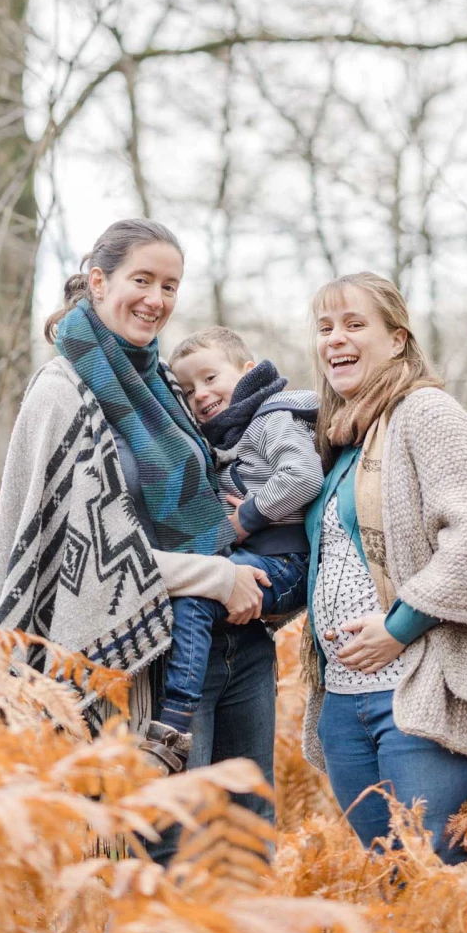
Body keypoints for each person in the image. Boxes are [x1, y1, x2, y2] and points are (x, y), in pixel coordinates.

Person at [0, 218, 278, 795]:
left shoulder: (164, 384)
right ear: (97, 280)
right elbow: (79, 563)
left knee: (243, 845)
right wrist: (216, 574)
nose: (156, 300)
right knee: (156, 848)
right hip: (127, 660)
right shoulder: (62, 393)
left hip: (222, 644)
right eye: (142, 280)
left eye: (170, 286)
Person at [303, 270, 467, 866]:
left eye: (353, 324)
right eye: (324, 328)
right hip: (345, 703)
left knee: (437, 894)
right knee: (400, 896)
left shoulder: (426, 415)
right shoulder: (340, 439)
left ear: (397, 340)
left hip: (426, 691)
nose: (335, 339)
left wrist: (397, 627)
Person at [155, 325, 322, 760]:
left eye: (210, 378)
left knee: (197, 595)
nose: (201, 394)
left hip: (287, 561)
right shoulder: (232, 439)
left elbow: (303, 477)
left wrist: (242, 522)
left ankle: (174, 722)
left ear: (248, 371)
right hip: (269, 560)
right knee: (201, 591)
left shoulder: (272, 418)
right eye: (189, 390)